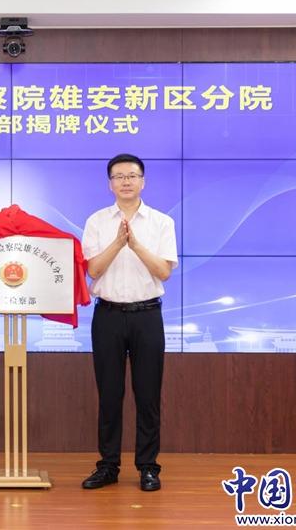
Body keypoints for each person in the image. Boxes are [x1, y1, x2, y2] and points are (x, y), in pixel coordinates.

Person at [80, 153, 178, 492]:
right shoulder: (96, 221)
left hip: (147, 316)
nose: (125, 181)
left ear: (143, 181)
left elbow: (164, 271)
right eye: (119, 176)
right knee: (109, 395)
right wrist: (118, 243)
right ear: (110, 184)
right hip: (107, 315)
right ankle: (108, 466)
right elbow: (93, 269)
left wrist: (134, 245)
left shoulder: (161, 222)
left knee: (148, 395)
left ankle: (148, 467)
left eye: (132, 175)